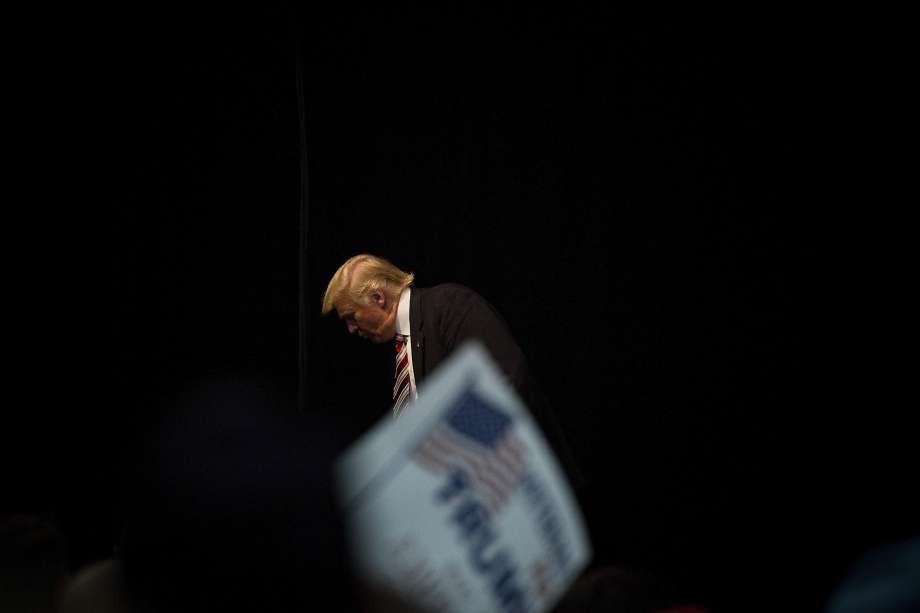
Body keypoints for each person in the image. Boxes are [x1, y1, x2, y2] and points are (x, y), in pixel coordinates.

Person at [321, 253, 582, 488]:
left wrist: (457, 464)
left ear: (378, 298)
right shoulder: (403, 348)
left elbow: (508, 381)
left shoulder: (449, 307)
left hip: (523, 486)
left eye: (351, 316)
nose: (351, 329)